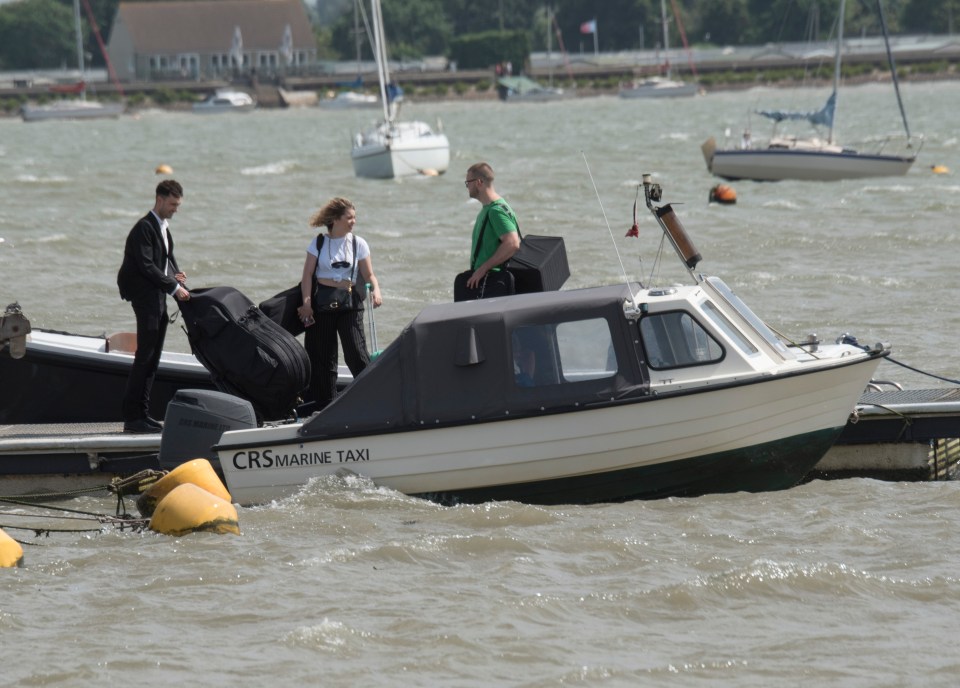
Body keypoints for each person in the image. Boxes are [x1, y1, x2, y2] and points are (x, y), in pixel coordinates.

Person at [117, 179, 190, 433]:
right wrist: (173, 288)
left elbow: (167, 259)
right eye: (172, 204)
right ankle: (132, 417)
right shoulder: (143, 228)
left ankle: (143, 414)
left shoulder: (163, 228)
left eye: (177, 205)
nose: (175, 209)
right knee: (145, 356)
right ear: (159, 199)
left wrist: (178, 277)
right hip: (144, 296)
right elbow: (147, 266)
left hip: (157, 295)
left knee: (153, 357)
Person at [296, 197, 382, 409]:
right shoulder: (318, 243)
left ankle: (372, 398)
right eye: (349, 217)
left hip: (349, 302)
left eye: (354, 217)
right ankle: (327, 405)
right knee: (323, 358)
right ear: (335, 219)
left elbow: (369, 274)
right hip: (322, 303)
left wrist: (376, 291)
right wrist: (306, 303)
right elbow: (307, 275)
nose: (353, 221)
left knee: (356, 352)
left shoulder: (358, 243)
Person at [464, 162, 520, 293]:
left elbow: (512, 243)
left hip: (492, 282)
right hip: (486, 281)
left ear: (479, 182)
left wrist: (482, 269)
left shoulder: (496, 211)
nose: (467, 187)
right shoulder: (488, 209)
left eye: (468, 183)